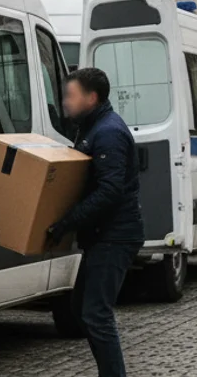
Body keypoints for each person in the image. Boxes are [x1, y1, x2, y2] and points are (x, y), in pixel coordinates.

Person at [47, 68, 143, 377]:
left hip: (115, 236)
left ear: (92, 98)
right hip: (102, 235)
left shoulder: (108, 132)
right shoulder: (90, 128)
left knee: (96, 314)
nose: (65, 102)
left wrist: (66, 223)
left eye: (71, 96)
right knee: (80, 311)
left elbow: (109, 191)